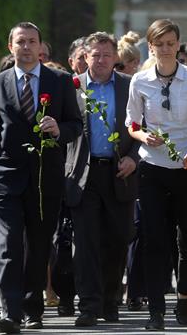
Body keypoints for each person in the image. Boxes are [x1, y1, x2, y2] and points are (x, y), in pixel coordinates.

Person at [0, 22, 83, 334]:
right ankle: (10, 311)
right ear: (11, 47)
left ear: (40, 47)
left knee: (38, 245)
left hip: (45, 177)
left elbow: (76, 125)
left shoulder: (60, 81)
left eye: (31, 41)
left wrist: (59, 129)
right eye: (20, 42)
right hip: (6, 176)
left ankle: (33, 308)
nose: (26, 47)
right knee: (8, 245)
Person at [125, 19, 187, 331]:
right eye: (159, 44)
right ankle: (156, 312)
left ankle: (184, 296)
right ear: (151, 46)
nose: (165, 49)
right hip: (152, 167)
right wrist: (142, 137)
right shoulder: (139, 81)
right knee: (154, 239)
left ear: (178, 44)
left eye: (170, 43)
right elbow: (132, 123)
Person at [65, 32, 138, 327]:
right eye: (95, 55)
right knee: (85, 243)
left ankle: (110, 299)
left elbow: (143, 126)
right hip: (83, 174)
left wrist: (134, 157)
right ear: (85, 57)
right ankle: (89, 305)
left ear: (115, 58)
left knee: (118, 239)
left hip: (119, 173)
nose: (101, 60)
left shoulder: (130, 87)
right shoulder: (72, 88)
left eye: (107, 55)